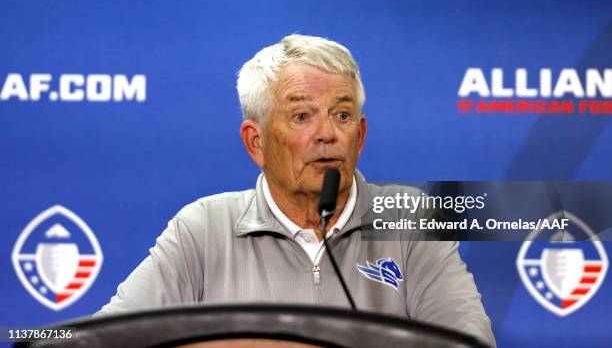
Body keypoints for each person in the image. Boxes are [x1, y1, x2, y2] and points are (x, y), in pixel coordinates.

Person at [97, 34, 495, 347]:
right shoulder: (202, 229)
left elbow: (468, 340)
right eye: (302, 116)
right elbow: (103, 339)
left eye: (342, 115)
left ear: (360, 134)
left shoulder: (410, 218)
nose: (327, 134)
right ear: (256, 142)